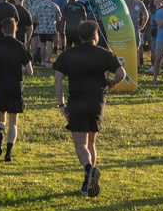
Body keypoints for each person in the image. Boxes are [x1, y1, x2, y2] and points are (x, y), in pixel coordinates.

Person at [53, 20, 125, 197]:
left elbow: (58, 79)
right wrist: (112, 82)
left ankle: (89, 170)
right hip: (96, 101)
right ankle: (87, 183)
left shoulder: (68, 54)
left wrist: (61, 104)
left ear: (79, 36)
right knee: (91, 142)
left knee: (80, 144)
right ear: (96, 35)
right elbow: (121, 74)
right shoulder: (104, 53)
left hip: (77, 100)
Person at [0, 17, 33, 162]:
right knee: (13, 121)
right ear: (16, 29)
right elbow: (30, 71)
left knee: (1, 117)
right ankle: (8, 153)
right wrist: (18, 70)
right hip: (15, 85)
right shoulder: (21, 46)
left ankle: (0, 131)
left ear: (2, 30)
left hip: (0, 84)